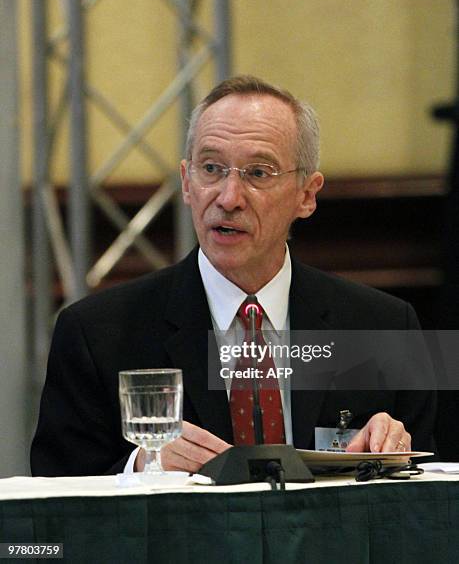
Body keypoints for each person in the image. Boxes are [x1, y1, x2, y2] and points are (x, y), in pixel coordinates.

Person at [31, 76, 436, 477]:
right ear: (187, 182)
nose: (228, 198)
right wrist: (145, 465)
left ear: (307, 195)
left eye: (258, 173)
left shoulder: (383, 326)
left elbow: (427, 503)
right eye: (211, 168)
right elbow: (55, 496)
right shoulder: (96, 334)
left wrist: (395, 453)